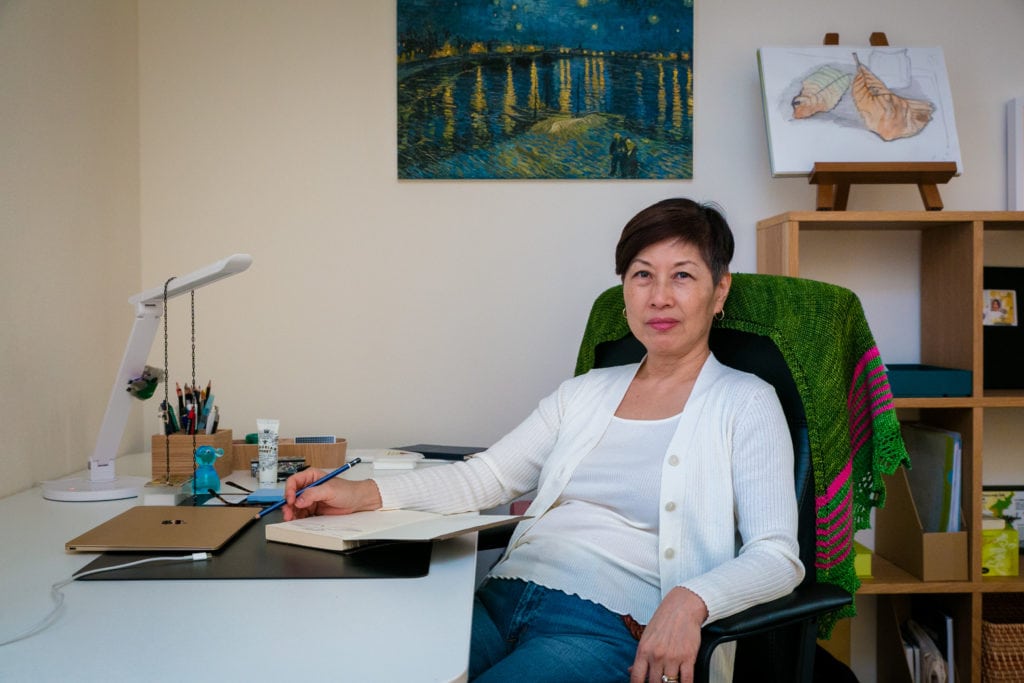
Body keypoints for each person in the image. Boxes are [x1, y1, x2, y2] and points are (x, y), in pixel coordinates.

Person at [281, 198, 804, 683]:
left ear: (720, 290)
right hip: (501, 598)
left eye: (682, 275)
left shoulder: (746, 403)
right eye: (642, 274)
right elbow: (485, 477)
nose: (659, 296)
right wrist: (360, 493)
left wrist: (690, 601)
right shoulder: (583, 393)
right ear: (625, 291)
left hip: (609, 627)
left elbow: (777, 555)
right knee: (360, 668)